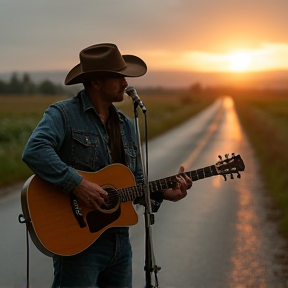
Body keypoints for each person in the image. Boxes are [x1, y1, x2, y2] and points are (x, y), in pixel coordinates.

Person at [22, 43, 192, 288]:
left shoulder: (126, 125)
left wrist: (166, 193)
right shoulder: (63, 114)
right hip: (79, 246)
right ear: (96, 82)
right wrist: (78, 184)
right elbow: (35, 150)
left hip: (120, 243)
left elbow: (136, 184)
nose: (125, 83)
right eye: (119, 76)